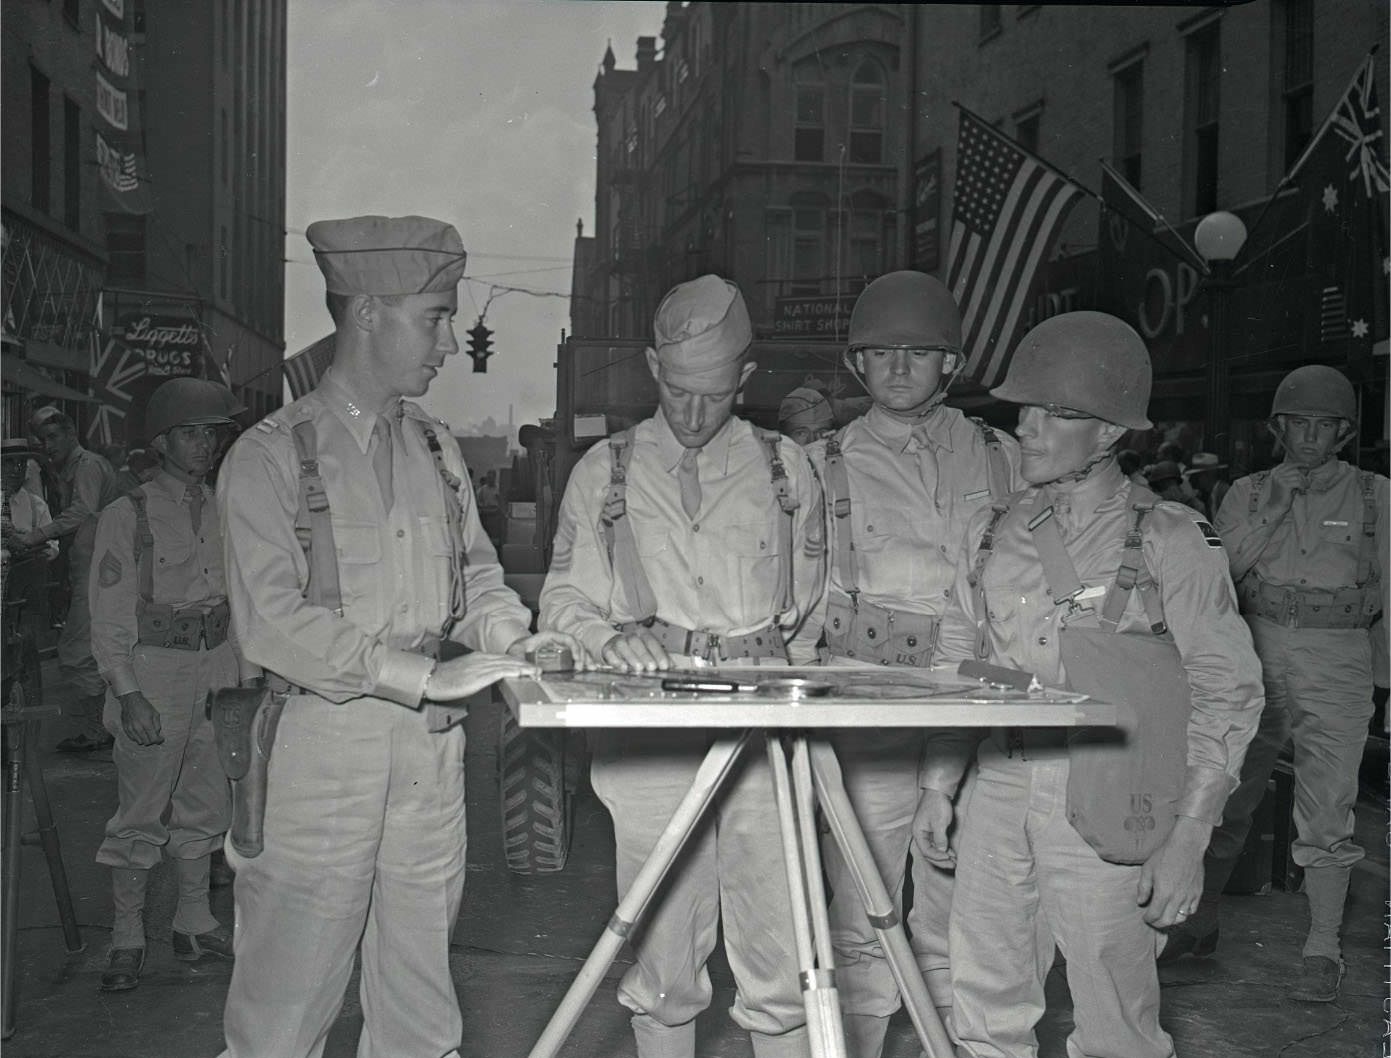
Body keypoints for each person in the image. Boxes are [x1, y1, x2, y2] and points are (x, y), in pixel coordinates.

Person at [216, 214, 581, 1058]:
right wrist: (418, 674)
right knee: (283, 1013)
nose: (450, 341)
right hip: (320, 748)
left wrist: (513, 638)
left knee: (420, 1006)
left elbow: (476, 575)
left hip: (427, 754)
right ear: (368, 313)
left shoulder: (436, 447)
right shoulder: (270, 456)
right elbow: (270, 620)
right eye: (436, 316)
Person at [924, 311, 1262, 1058]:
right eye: (1026, 411)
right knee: (982, 1003)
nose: (1029, 429)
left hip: (1114, 789)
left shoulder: (1173, 539)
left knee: (1114, 1022)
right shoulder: (990, 533)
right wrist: (939, 782)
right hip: (999, 779)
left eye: (1057, 413)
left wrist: (1188, 839)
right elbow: (961, 666)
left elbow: (1227, 695)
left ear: (1109, 432)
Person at [540, 274, 826, 1058]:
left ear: (744, 378)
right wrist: (607, 639)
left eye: (713, 394)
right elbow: (563, 604)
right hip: (652, 731)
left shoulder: (786, 471)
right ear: (651, 370)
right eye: (677, 391)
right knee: (664, 960)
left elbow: (813, 614)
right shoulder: (606, 472)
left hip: (764, 729)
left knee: (780, 961)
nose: (694, 414)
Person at [802, 270, 1021, 1055]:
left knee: (968, 930)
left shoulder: (1006, 457)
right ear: (857, 365)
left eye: (918, 352)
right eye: (880, 352)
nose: (898, 367)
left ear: (951, 363)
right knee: (863, 922)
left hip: (985, 705)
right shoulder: (817, 464)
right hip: (876, 714)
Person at [1163, 365, 1387, 1004]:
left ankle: (1322, 948)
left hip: (1338, 659)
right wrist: (1276, 510)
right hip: (1254, 650)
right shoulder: (1248, 492)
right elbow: (1218, 571)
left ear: (1343, 432)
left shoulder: (1376, 495)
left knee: (1327, 810)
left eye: (1325, 426)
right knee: (1226, 791)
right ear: (1278, 429)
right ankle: (1194, 922)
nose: (1310, 438)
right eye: (1298, 425)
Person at [87, 378, 249, 991]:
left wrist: (245, 678)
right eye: (191, 433)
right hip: (153, 668)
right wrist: (127, 692)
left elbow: (240, 598)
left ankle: (193, 921)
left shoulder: (225, 506)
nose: (204, 444)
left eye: (211, 433)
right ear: (161, 442)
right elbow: (108, 613)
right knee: (141, 808)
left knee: (208, 799)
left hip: (215, 663)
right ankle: (127, 937)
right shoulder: (126, 515)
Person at [17, 406, 121, 752]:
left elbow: (82, 511)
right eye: (40, 440)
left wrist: (35, 536)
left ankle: (99, 731)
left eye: (52, 437)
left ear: (71, 433)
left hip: (99, 573)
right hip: (90, 571)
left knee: (76, 653)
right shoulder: (67, 469)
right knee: (91, 651)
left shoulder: (87, 466)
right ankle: (106, 727)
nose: (47, 446)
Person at [1184, 451, 1230, 521]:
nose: (1196, 479)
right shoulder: (1207, 495)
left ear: (1208, 474)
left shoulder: (1224, 491)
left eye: (1198, 476)